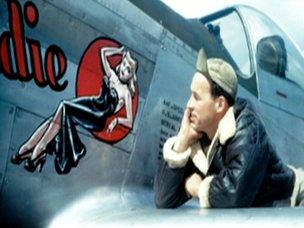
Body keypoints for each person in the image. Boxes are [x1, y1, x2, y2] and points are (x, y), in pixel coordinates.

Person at [154, 48, 304, 208]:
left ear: (219, 104)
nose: (189, 105)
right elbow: (164, 200)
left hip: (293, 202)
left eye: (196, 97)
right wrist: (182, 141)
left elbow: (235, 195)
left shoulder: (248, 130)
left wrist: (198, 188)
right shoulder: (199, 137)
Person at [11, 46, 138, 174]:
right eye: (124, 65)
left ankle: (40, 147)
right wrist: (119, 51)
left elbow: (130, 121)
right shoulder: (112, 76)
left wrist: (116, 121)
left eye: (128, 70)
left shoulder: (126, 93)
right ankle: (30, 147)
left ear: (131, 76)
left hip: (97, 116)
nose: (124, 70)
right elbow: (103, 52)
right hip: (92, 103)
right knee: (57, 117)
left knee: (64, 106)